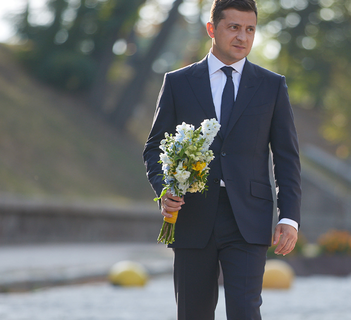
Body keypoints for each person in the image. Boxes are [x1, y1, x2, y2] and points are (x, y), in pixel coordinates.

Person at [142, 0, 301, 319]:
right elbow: (154, 146)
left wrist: (289, 217)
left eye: (250, 29)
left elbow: (286, 156)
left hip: (249, 217)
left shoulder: (272, 86)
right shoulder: (178, 82)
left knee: (245, 311)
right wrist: (164, 190)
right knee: (193, 312)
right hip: (192, 214)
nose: (243, 37)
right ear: (212, 29)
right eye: (234, 28)